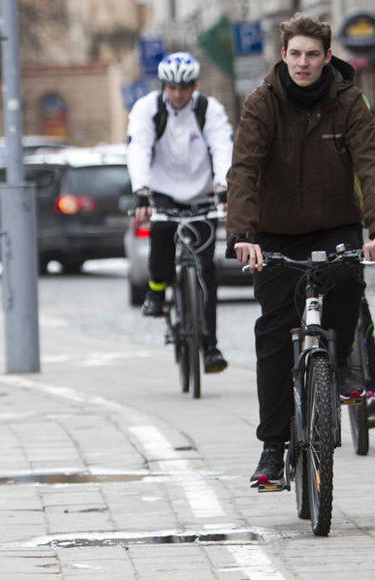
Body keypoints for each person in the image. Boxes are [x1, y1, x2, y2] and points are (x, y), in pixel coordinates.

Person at [226, 13, 375, 488]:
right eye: (295, 54)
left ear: (327, 57)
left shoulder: (347, 101)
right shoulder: (261, 103)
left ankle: (340, 365)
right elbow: (243, 170)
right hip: (274, 234)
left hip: (334, 226)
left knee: (346, 281)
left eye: (313, 55)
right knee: (276, 330)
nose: (304, 63)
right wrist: (242, 234)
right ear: (284, 56)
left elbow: (373, 162)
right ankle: (272, 449)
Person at [126, 51, 233, 374]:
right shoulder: (148, 109)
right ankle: (156, 293)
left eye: (184, 87)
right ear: (163, 87)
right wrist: (141, 190)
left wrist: (223, 186)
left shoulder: (208, 110)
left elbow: (223, 146)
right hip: (161, 193)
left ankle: (210, 346)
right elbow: (138, 147)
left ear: (194, 86)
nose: (177, 94)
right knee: (159, 239)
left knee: (206, 272)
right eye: (171, 88)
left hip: (202, 196)